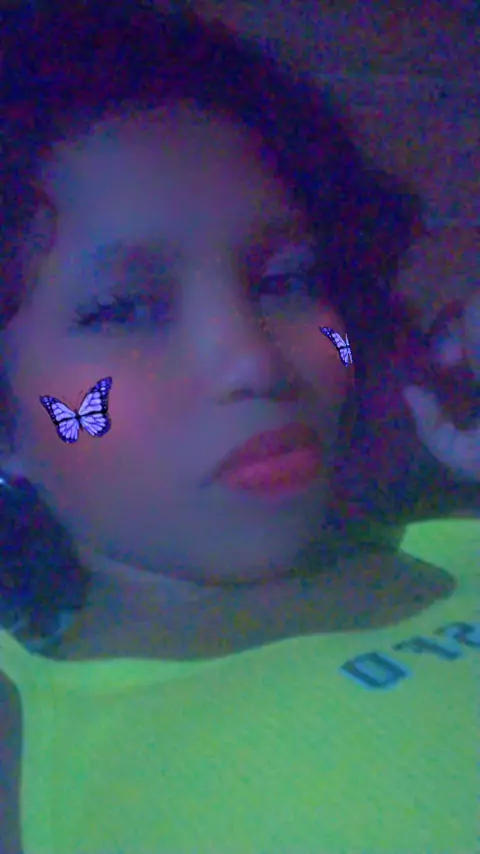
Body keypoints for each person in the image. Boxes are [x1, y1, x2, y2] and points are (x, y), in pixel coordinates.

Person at [0, 3, 478, 853]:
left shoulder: (461, 532)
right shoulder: (28, 743)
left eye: (286, 280)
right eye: (124, 308)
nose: (255, 363)